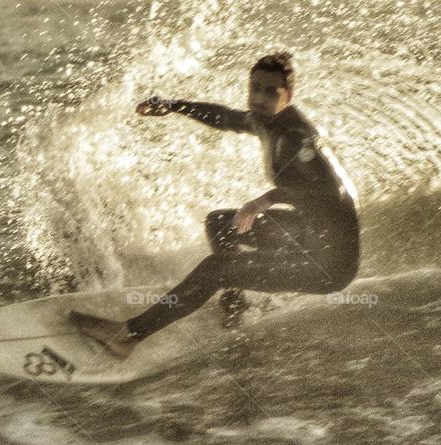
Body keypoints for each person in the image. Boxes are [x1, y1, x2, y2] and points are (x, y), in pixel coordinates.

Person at [69, 52, 360, 358]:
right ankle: (235, 309)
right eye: (255, 88)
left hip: (328, 264)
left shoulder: (296, 135)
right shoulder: (266, 121)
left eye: (270, 92)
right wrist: (173, 106)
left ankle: (127, 336)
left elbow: (330, 189)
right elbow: (226, 118)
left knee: (217, 268)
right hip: (307, 235)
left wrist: (266, 199)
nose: (259, 98)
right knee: (221, 224)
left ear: (288, 95)